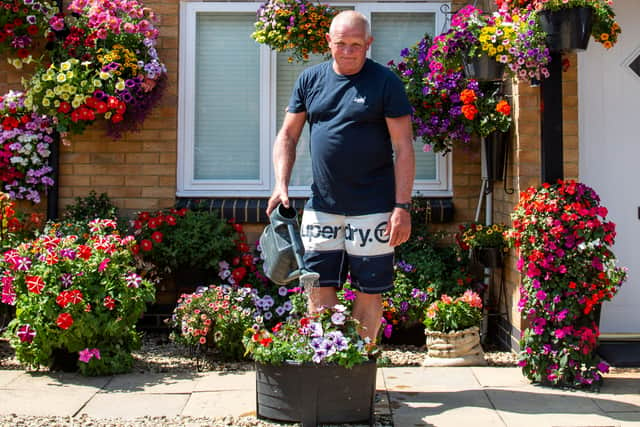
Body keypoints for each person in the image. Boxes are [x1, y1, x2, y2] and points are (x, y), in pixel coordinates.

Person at [266, 10, 415, 342]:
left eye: (356, 44)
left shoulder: (385, 82)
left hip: (374, 208)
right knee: (317, 290)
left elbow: (403, 147)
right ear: (328, 42)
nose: (348, 51)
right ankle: (329, 366)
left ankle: (359, 372)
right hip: (322, 206)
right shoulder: (310, 80)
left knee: (369, 293)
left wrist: (402, 206)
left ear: (369, 44)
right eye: (341, 44)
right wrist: (281, 184)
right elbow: (287, 135)